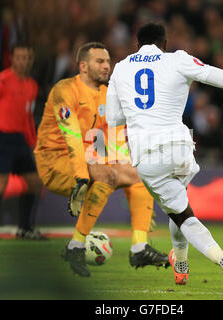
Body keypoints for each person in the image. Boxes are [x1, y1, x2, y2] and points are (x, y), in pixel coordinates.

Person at [106, 22, 223, 290]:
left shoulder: (121, 68)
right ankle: (181, 264)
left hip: (148, 157)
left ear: (137, 45)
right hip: (180, 149)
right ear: (164, 43)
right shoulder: (178, 59)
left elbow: (113, 118)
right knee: (179, 206)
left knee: (183, 215)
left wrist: (135, 111)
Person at [34, 42, 168, 277]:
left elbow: (116, 142)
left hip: (89, 161)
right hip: (55, 162)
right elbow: (73, 137)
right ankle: (76, 246)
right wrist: (82, 177)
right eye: (100, 61)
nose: (107, 66)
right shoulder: (64, 91)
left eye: (108, 61)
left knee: (138, 174)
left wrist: (131, 176)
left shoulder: (108, 95)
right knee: (106, 174)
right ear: (83, 66)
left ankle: (139, 247)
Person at [0, 42, 45, 240]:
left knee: (34, 182)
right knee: (1, 183)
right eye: (20, 57)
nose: (24, 61)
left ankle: (24, 227)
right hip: (2, 138)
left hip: (20, 139)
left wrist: (32, 140)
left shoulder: (31, 85)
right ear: (12, 59)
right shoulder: (2, 81)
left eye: (27, 57)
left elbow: (27, 117)